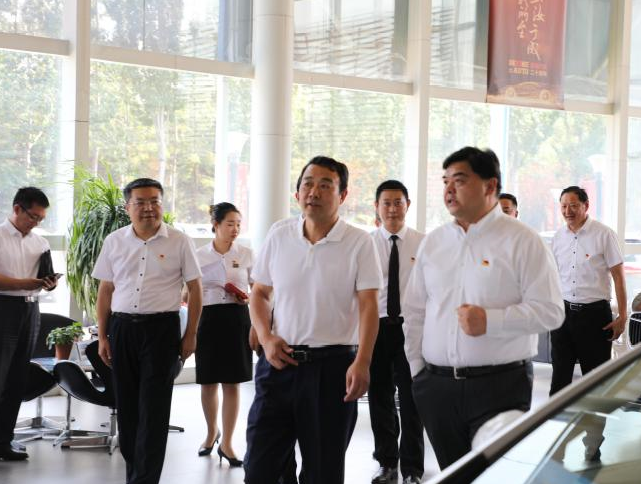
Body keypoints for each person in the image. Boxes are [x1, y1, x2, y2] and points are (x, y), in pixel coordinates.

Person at [403, 146, 564, 469]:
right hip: (437, 388)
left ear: (490, 186)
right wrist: (419, 372)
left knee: (494, 475)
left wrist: (490, 321)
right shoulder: (434, 242)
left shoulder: (523, 241)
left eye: (459, 180)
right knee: (454, 474)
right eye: (445, 181)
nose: (449, 190)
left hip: (500, 387)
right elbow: (415, 311)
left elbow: (551, 311)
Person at [244, 155, 382, 484]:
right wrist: (266, 337)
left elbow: (369, 306)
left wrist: (363, 362)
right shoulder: (279, 235)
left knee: (322, 471)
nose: (314, 192)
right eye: (308, 184)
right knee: (260, 469)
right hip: (278, 365)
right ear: (297, 193)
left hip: (332, 370)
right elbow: (259, 293)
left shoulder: (359, 242)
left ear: (343, 195)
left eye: (325, 185)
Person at [93, 178, 203, 484]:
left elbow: (196, 289)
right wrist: (103, 336)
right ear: (127, 207)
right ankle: (136, 474)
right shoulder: (114, 241)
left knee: (154, 410)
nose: (148, 208)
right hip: (122, 329)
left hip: (161, 331)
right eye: (140, 202)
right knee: (127, 408)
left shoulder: (179, 241)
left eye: (155, 201)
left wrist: (191, 334)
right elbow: (105, 290)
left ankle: (145, 479)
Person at [550, 186, 627, 460]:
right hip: (563, 315)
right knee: (559, 382)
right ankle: (554, 445)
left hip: (595, 317)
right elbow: (553, 277)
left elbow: (618, 275)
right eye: (563, 206)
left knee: (595, 383)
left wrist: (622, 316)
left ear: (586, 206)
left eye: (573, 205)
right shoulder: (558, 237)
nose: (567, 211)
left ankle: (592, 444)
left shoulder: (603, 234)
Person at [368, 180, 424, 484]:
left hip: (411, 328)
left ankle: (413, 469)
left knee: (412, 399)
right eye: (386, 203)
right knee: (380, 397)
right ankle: (387, 463)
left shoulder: (423, 243)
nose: (392, 209)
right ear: (377, 207)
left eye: (398, 202)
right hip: (375, 328)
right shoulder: (365, 244)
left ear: (407, 205)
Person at [0, 187, 57, 461]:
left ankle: (4, 440)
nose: (35, 223)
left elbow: (46, 278)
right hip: (3, 308)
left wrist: (49, 283)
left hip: (31, 310)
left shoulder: (40, 243)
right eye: (33, 216)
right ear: (17, 209)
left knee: (16, 379)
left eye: (40, 219)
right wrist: (25, 283)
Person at [195, 202, 253, 466]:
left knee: (232, 382)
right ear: (215, 225)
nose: (235, 229)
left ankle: (227, 443)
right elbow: (188, 291)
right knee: (208, 381)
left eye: (238, 224)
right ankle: (211, 433)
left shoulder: (246, 254)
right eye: (230, 224)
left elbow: (260, 290)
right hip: (207, 319)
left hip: (236, 318)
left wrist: (247, 297)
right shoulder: (198, 255)